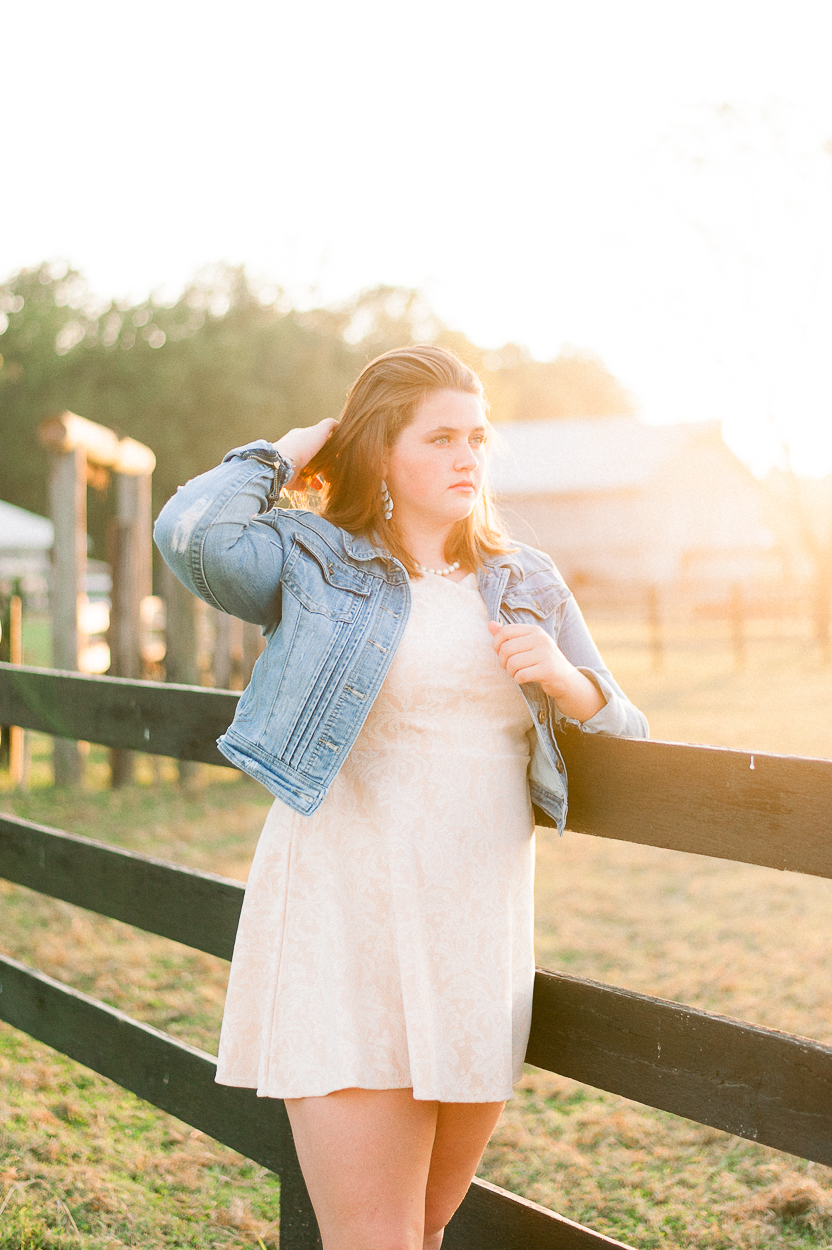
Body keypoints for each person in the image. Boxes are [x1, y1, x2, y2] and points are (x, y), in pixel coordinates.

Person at [154, 345, 648, 1250]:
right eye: (442, 438)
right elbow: (194, 535)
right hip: (346, 926)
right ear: (383, 452)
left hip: (474, 938)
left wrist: (572, 684)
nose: (470, 458)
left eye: (479, 438)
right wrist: (295, 449)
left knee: (422, 1231)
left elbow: (629, 739)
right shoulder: (314, 563)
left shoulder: (525, 579)